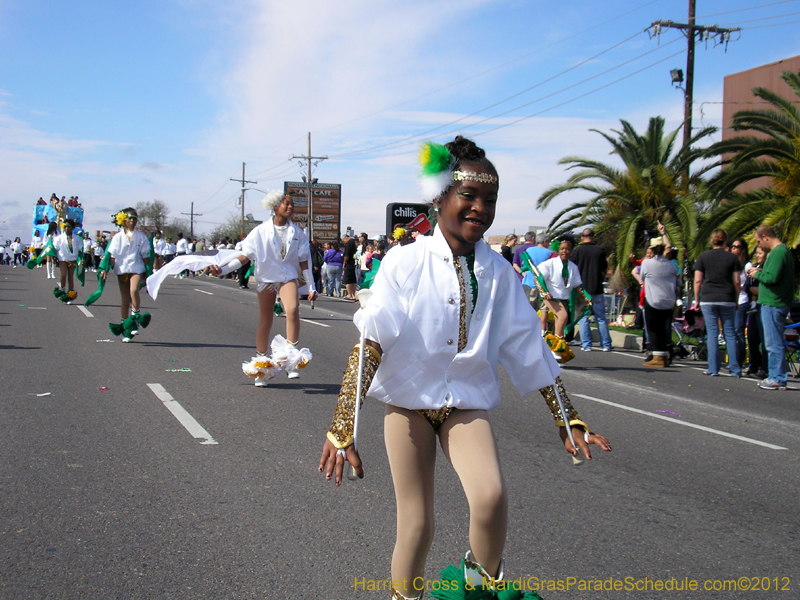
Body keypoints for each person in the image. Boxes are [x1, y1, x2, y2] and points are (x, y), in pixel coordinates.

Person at [319, 137, 610, 600]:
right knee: (417, 525)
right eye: (468, 196)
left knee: (491, 498)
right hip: (408, 404)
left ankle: (477, 587)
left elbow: (529, 347)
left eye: (489, 200)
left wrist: (566, 418)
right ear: (439, 199)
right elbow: (371, 342)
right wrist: (342, 425)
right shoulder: (405, 261)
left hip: (464, 405)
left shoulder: (500, 272)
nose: (479, 208)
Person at [210, 191, 318, 387]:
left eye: (292, 204)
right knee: (265, 319)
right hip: (266, 278)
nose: (290, 207)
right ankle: (261, 366)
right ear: (275, 206)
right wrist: (223, 269)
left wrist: (311, 286)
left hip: (288, 277)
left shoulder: (298, 233)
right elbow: (245, 256)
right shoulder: (260, 231)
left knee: (292, 310)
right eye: (286, 204)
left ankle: (290, 358)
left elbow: (304, 262)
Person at [747, 225, 795, 390]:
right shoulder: (782, 251)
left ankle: (777, 377)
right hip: (775, 302)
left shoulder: (777, 252)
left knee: (772, 342)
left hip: (773, 303)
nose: (759, 245)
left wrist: (756, 274)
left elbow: (772, 277)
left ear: (766, 236)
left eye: (759, 241)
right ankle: (777, 376)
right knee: (773, 341)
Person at [692, 229, 742, 377]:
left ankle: (713, 368)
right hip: (727, 298)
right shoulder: (732, 258)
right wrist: (736, 299)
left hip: (708, 298)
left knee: (712, 333)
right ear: (725, 241)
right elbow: (737, 281)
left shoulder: (703, 257)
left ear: (711, 240)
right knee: (730, 333)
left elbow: (698, 280)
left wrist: (697, 300)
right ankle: (735, 368)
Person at [536, 239, 591, 362]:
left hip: (564, 298)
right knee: (563, 317)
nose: (564, 251)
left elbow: (578, 285)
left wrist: (586, 295)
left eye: (567, 249)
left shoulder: (573, 267)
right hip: (551, 297)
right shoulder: (550, 264)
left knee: (560, 322)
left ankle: (550, 348)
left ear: (571, 251)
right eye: (562, 249)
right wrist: (545, 292)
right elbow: (538, 278)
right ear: (558, 250)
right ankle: (557, 346)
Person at [102, 208, 152, 342]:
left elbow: (145, 255)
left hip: (136, 268)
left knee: (133, 290)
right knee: (125, 300)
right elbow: (111, 255)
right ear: (123, 220)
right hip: (121, 270)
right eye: (130, 218)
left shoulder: (141, 237)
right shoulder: (117, 237)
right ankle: (126, 327)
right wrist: (104, 269)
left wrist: (149, 272)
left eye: (135, 218)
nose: (132, 221)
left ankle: (135, 317)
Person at [570, 228, 613, 352]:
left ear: (582, 237)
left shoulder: (577, 251)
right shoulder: (600, 250)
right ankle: (606, 344)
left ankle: (586, 344)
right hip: (597, 287)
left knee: (583, 317)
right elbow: (604, 267)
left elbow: (571, 266)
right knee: (601, 317)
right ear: (593, 237)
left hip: (582, 289)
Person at [639, 240, 679, 367]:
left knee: (653, 328)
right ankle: (665, 354)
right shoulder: (671, 265)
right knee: (663, 328)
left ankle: (657, 356)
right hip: (669, 301)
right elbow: (679, 282)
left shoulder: (647, 263)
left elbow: (642, 277)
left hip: (653, 299)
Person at [743, 245, 768, 379]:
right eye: (757, 253)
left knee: (764, 339)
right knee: (752, 337)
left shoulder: (766, 270)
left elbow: (765, 290)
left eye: (760, 253)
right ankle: (754, 364)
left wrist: (754, 290)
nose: (758, 256)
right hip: (753, 307)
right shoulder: (754, 269)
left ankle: (765, 367)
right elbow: (747, 286)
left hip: (763, 306)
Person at [729, 238, 750, 370]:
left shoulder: (747, 265)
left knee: (738, 330)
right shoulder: (729, 263)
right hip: (730, 301)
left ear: (742, 249)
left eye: (736, 246)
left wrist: (737, 287)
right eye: (732, 246)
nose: (733, 248)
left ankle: (739, 360)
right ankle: (733, 359)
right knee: (731, 331)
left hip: (742, 300)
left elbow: (748, 285)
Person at [52, 219, 83, 304]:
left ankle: (70, 295)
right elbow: (54, 248)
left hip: (72, 259)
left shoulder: (76, 238)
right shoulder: (59, 238)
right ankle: (62, 289)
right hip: (62, 258)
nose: (67, 228)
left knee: (70, 277)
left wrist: (81, 258)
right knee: (63, 274)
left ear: (72, 228)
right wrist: (54, 257)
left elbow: (80, 248)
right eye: (65, 227)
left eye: (69, 227)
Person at [342, 234, 358, 300]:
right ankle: (353, 295)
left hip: (349, 263)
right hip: (353, 263)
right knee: (353, 280)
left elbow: (346, 255)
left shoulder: (348, 244)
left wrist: (344, 263)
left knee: (347, 280)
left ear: (346, 238)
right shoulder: (354, 243)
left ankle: (349, 295)